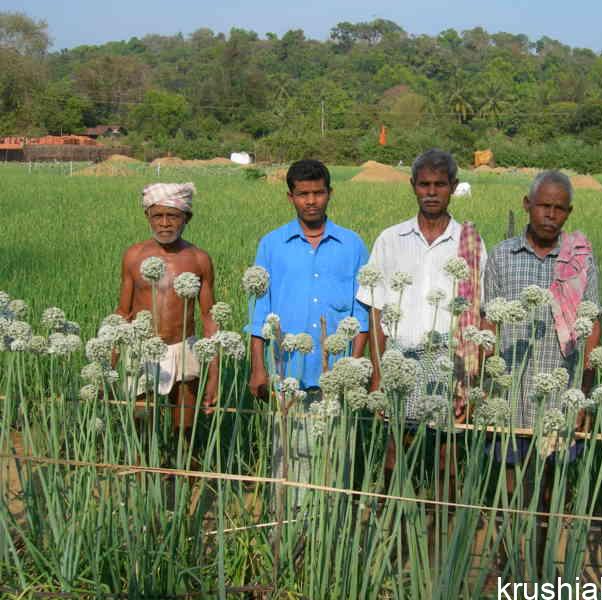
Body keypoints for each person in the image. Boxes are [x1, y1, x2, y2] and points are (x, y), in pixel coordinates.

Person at [247, 159, 370, 503]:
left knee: (335, 455)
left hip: (336, 372)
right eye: (303, 194)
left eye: (318, 192)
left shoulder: (352, 245)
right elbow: (259, 310)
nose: (311, 201)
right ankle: (288, 522)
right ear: (291, 197)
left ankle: (331, 522)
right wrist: (258, 367)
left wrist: (353, 367)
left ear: (330, 193)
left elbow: (362, 313)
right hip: (287, 371)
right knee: (289, 454)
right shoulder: (272, 245)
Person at [483, 170, 602, 490]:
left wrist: (583, 393)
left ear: (569, 212)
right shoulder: (502, 256)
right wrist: (484, 385)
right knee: (509, 476)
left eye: (559, 208)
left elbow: (592, 326)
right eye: (543, 206)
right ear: (527, 204)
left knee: (551, 482)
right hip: (510, 391)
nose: (551, 215)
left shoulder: (580, 260)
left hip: (560, 394)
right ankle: (509, 524)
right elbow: (488, 323)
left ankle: (544, 523)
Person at [356, 148, 487, 422]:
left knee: (445, 445)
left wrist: (468, 382)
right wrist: (378, 375)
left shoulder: (469, 242)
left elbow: (478, 315)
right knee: (397, 442)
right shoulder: (391, 240)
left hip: (449, 365)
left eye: (440, 184)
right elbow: (376, 311)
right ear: (413, 185)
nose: (431, 192)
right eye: (424, 184)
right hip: (398, 359)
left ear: (453, 187)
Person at [116, 182, 218, 430]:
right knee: (140, 428)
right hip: (141, 348)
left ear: (187, 218)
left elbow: (209, 318)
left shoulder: (199, 259)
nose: (164, 223)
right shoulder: (134, 255)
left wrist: (214, 375)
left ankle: (183, 456)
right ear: (147, 216)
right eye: (157, 216)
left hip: (183, 347)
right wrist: (108, 363)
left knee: (185, 429)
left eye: (173, 216)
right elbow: (123, 312)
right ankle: (143, 459)